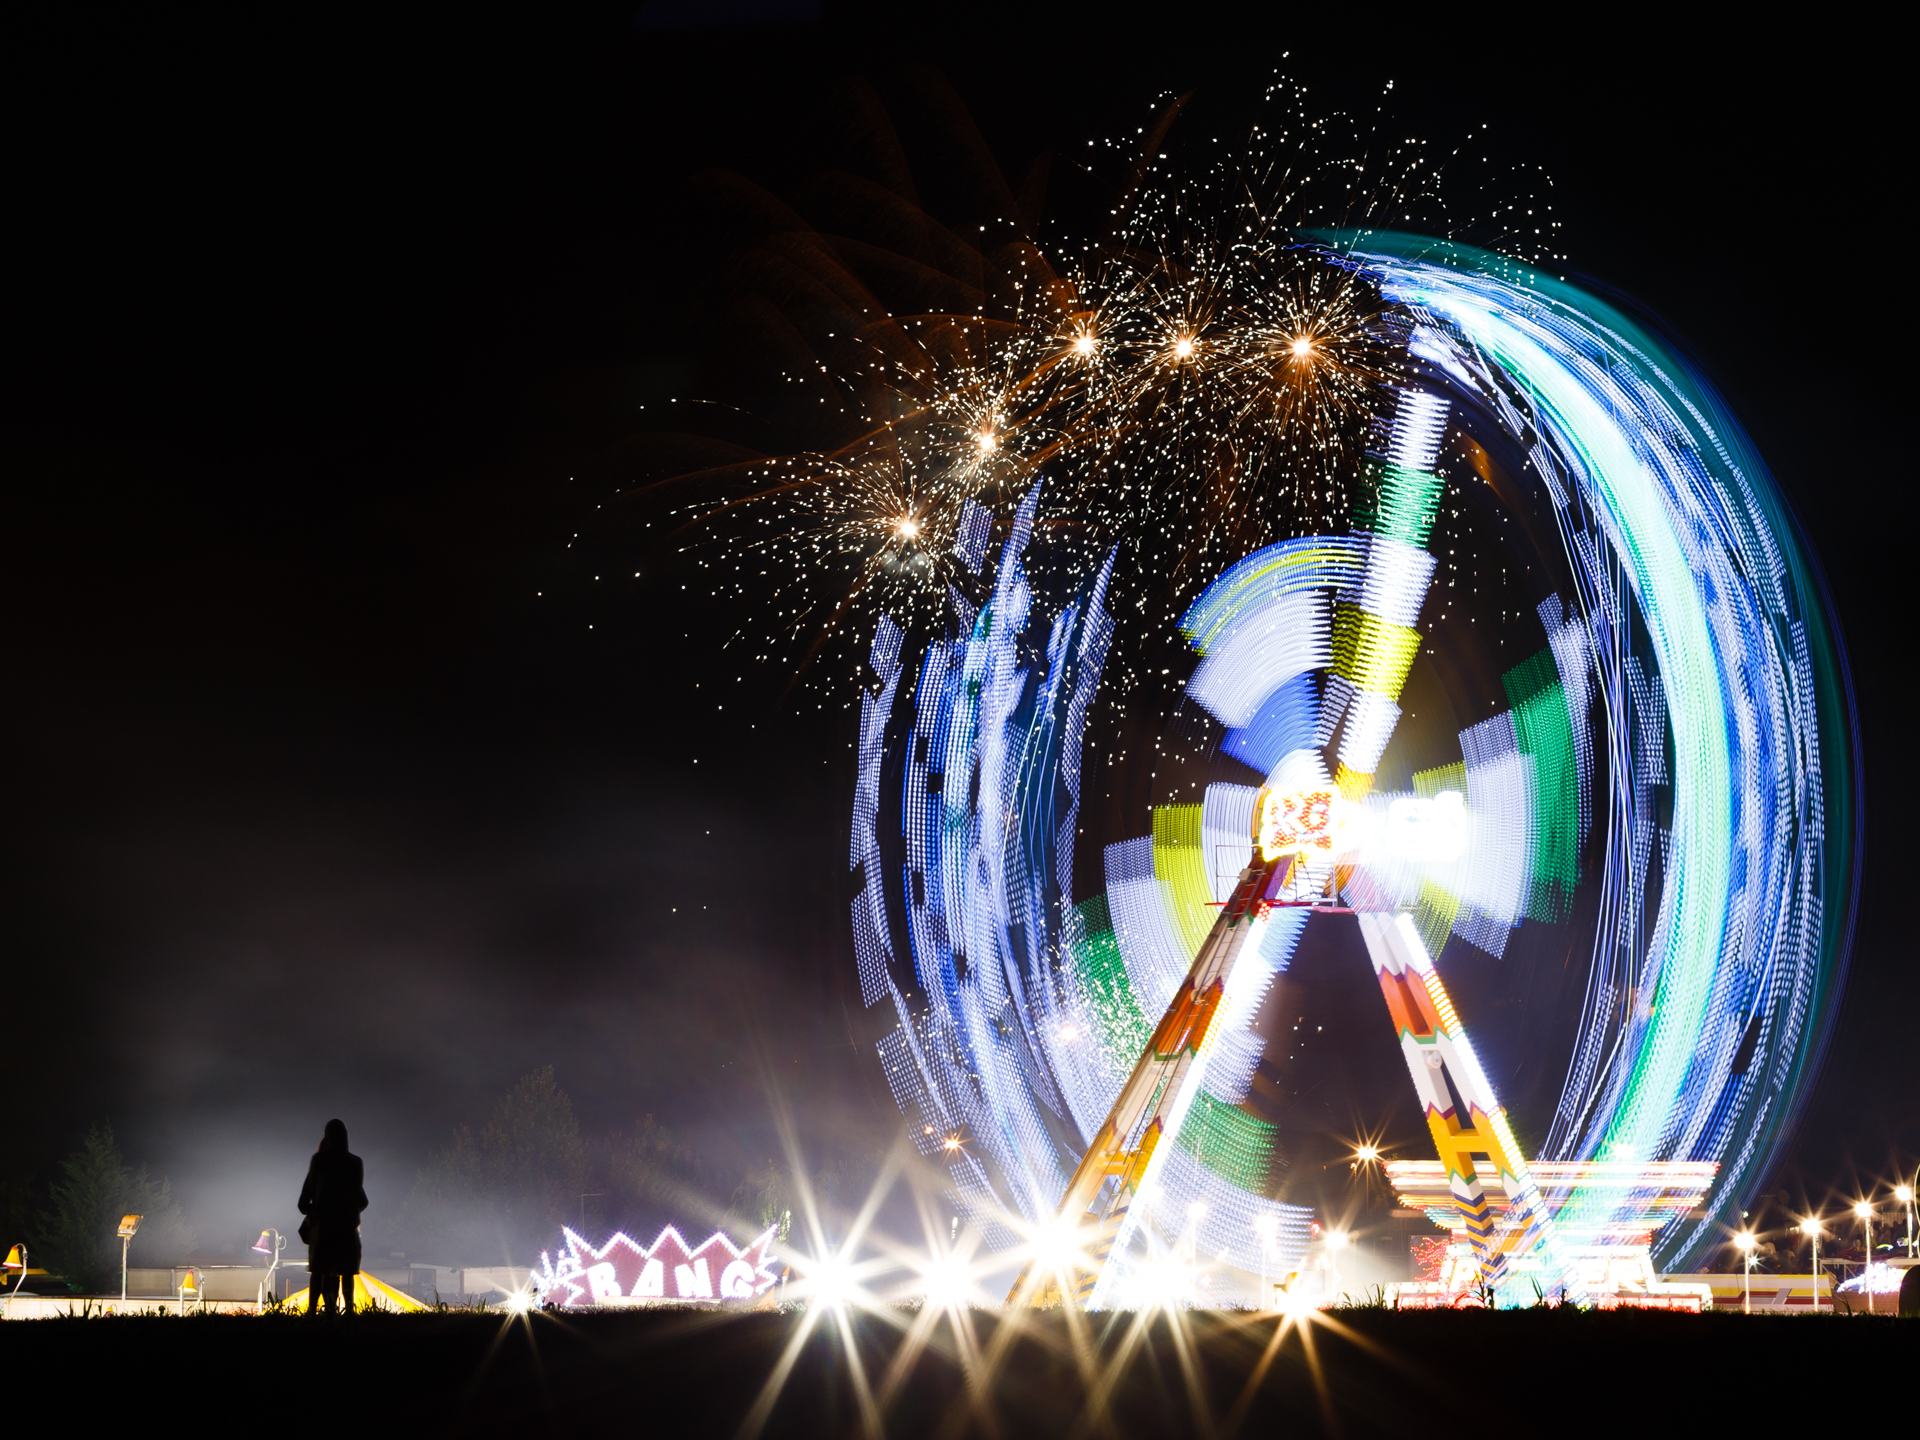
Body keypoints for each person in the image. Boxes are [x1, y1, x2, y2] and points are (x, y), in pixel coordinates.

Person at [297, 1119, 368, 1316]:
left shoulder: (319, 1161)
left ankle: (312, 1312)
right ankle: (349, 1311)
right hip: (347, 1227)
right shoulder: (355, 1163)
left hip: (323, 1228)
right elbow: (360, 1199)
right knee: (346, 1272)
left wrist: (315, 1212)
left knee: (318, 1271)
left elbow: (304, 1201)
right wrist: (348, 1212)